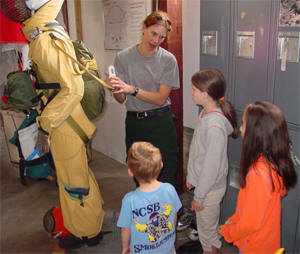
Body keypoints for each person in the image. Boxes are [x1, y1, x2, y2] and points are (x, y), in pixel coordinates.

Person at [0, 0, 105, 249]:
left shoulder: (46, 37)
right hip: (64, 120)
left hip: (65, 123)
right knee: (77, 176)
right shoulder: (42, 33)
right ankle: (87, 221)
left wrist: (44, 123)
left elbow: (74, 88)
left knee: (74, 182)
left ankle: (86, 232)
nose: (11, 5)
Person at [106, 11, 180, 187]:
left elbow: (161, 99)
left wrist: (132, 89)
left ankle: (167, 214)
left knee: (167, 172)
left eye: (161, 37)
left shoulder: (168, 60)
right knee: (139, 174)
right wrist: (115, 87)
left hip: (161, 123)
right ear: (143, 27)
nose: (155, 40)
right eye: (153, 33)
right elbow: (121, 98)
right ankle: (146, 212)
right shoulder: (123, 57)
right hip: (136, 124)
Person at [219, 101, 297, 254]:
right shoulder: (271, 163)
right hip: (266, 243)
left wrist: (228, 231)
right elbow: (251, 210)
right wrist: (234, 220)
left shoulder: (258, 174)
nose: (241, 129)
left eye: (243, 124)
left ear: (257, 133)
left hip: (254, 247)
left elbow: (250, 223)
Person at [186, 68, 239, 254]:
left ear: (205, 94)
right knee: (207, 231)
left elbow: (211, 166)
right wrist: (192, 176)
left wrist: (199, 196)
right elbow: (199, 152)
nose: (191, 92)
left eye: (194, 89)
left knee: (206, 235)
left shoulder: (215, 126)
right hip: (204, 185)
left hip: (209, 190)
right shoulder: (205, 114)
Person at [117, 142, 182, 254]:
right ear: (161, 165)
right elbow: (173, 215)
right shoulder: (170, 189)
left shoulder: (129, 200)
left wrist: (124, 247)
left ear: (130, 172)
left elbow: (125, 229)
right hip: (167, 248)